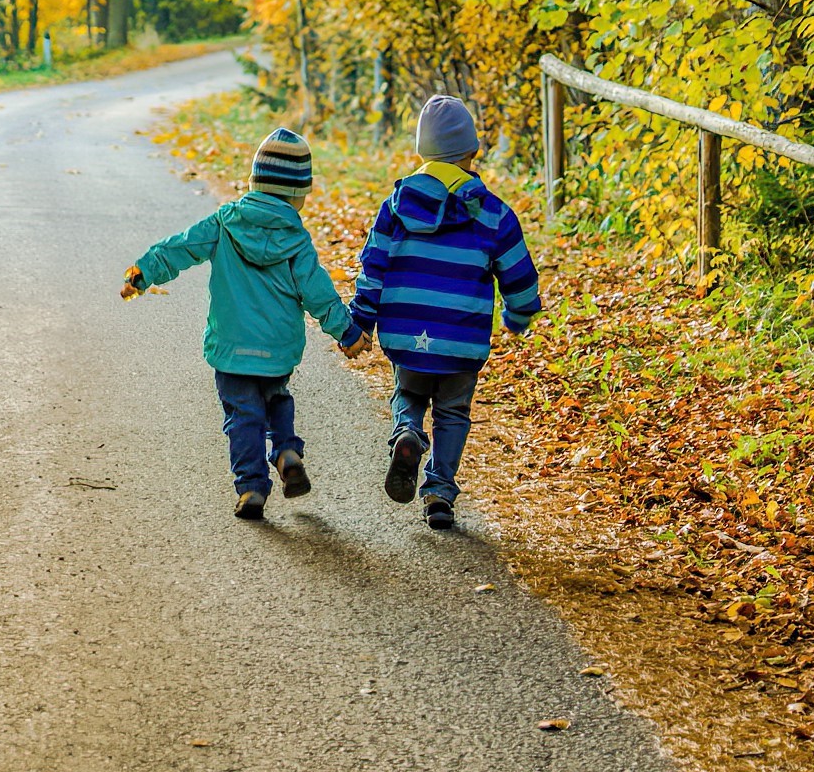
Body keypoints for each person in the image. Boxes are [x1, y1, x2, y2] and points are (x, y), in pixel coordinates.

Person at [121, 128, 370, 519]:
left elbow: (180, 247)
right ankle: (286, 449)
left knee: (242, 416)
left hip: (232, 346)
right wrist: (349, 332)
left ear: (253, 182)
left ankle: (251, 488)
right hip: (277, 347)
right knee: (276, 397)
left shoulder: (224, 223)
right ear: (298, 195)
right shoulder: (297, 240)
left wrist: (144, 271)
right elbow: (318, 292)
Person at [348, 95, 542, 529]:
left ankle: (407, 433)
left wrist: (360, 320)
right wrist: (519, 315)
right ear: (472, 152)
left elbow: (373, 266)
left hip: (407, 336)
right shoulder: (493, 213)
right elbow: (519, 273)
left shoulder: (396, 207)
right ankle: (439, 492)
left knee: (410, 393)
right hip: (460, 340)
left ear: (422, 152)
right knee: (453, 412)